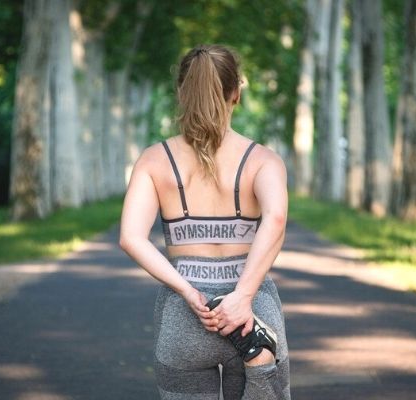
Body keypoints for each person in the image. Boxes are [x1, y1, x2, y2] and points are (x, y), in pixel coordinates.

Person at [119, 44, 290, 399]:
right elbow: (274, 218)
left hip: (186, 317)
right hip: (252, 318)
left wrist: (187, 290)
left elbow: (131, 237)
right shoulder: (263, 161)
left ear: (182, 92)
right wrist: (242, 297)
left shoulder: (154, 161)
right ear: (236, 93)